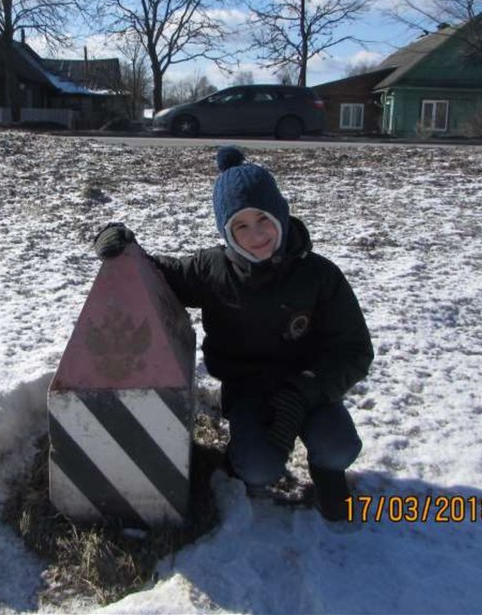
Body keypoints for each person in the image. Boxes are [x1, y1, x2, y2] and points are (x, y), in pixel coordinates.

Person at [93, 145, 374, 521]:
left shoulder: (320, 275)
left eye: (263, 220)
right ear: (226, 231)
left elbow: (354, 350)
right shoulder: (213, 269)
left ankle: (328, 478)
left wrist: (305, 391)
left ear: (281, 213)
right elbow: (163, 273)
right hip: (249, 390)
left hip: (311, 389)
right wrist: (124, 244)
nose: (256, 235)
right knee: (259, 468)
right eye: (240, 226)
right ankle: (239, 461)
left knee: (339, 445)